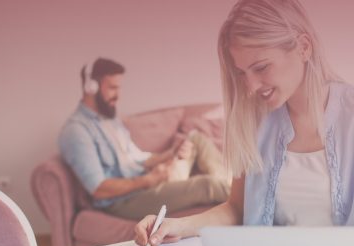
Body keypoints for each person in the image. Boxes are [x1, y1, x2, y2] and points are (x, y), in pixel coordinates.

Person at [135, 0, 354, 246]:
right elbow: (236, 209)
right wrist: (178, 225)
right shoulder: (253, 121)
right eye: (242, 73)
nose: (250, 86)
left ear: (303, 47)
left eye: (261, 67)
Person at [58, 58, 230, 220]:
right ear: (91, 87)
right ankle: (242, 199)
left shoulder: (110, 120)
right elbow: (98, 188)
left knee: (194, 138)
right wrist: (148, 181)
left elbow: (139, 158)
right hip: (125, 200)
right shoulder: (76, 131)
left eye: (119, 88)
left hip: (147, 182)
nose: (118, 95)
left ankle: (229, 186)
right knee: (207, 185)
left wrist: (172, 153)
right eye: (112, 88)